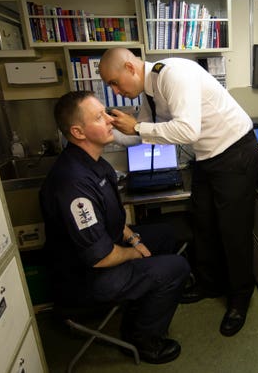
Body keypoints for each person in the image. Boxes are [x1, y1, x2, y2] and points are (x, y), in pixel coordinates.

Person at [98, 47, 258, 337]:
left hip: (234, 150)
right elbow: (141, 135)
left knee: (233, 230)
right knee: (203, 223)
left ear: (130, 68)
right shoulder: (148, 91)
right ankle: (209, 284)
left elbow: (186, 132)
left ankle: (240, 297)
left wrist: (137, 126)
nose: (115, 90)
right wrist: (109, 131)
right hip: (207, 157)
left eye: (114, 82)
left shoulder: (173, 75)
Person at [39, 91, 190, 364]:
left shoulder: (95, 163)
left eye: (105, 113)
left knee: (166, 234)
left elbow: (115, 221)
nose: (110, 120)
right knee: (177, 268)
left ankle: (141, 306)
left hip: (107, 249)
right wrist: (136, 253)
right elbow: (100, 257)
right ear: (78, 131)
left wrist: (133, 240)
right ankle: (143, 341)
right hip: (86, 278)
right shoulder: (73, 183)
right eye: (99, 117)